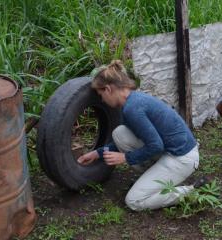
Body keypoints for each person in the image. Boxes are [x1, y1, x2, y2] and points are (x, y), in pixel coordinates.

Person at [77, 60, 203, 211]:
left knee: (134, 201)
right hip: (172, 152)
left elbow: (156, 145)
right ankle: (152, 179)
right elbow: (141, 139)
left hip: (182, 158)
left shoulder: (133, 108)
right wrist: (97, 153)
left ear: (108, 89)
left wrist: (125, 158)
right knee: (120, 133)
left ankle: (192, 191)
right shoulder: (132, 102)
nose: (102, 100)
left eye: (101, 95)